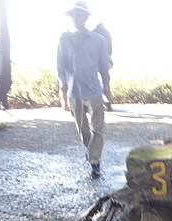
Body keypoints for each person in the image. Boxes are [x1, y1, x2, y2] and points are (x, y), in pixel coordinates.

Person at [57, 1, 111, 177]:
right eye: (73, 14)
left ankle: (95, 160)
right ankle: (90, 150)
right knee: (83, 130)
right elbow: (61, 64)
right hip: (74, 91)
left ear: (86, 17)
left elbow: (104, 65)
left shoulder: (99, 40)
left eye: (79, 14)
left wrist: (107, 86)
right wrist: (62, 87)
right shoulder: (64, 39)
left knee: (98, 128)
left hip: (94, 89)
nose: (76, 17)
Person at [93, 22, 114, 111]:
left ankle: (103, 101)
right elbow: (110, 50)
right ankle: (109, 101)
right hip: (107, 60)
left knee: (95, 81)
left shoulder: (94, 33)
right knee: (105, 81)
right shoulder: (107, 34)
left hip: (96, 61)